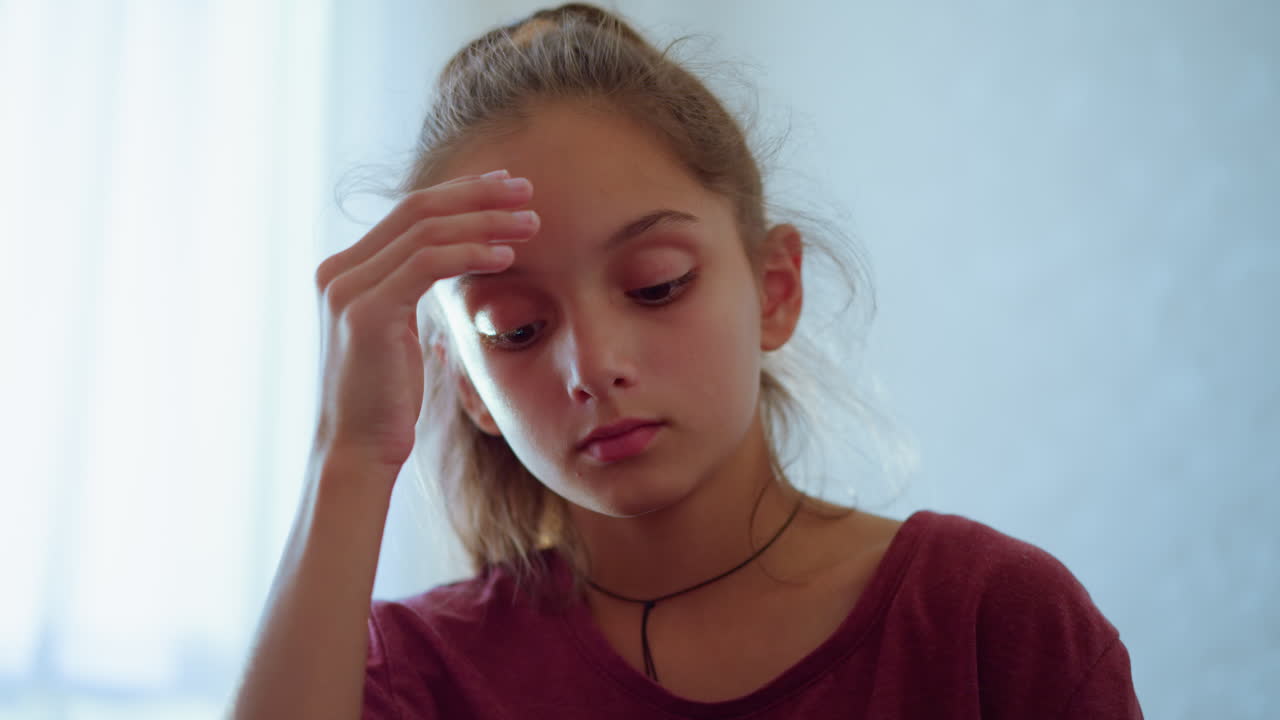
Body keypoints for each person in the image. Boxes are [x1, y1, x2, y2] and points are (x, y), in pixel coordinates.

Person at [230, 4, 1143, 718]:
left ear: (775, 288)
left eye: (657, 286)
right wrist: (348, 454)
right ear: (467, 383)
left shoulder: (985, 620)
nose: (595, 365)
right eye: (514, 331)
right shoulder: (412, 673)